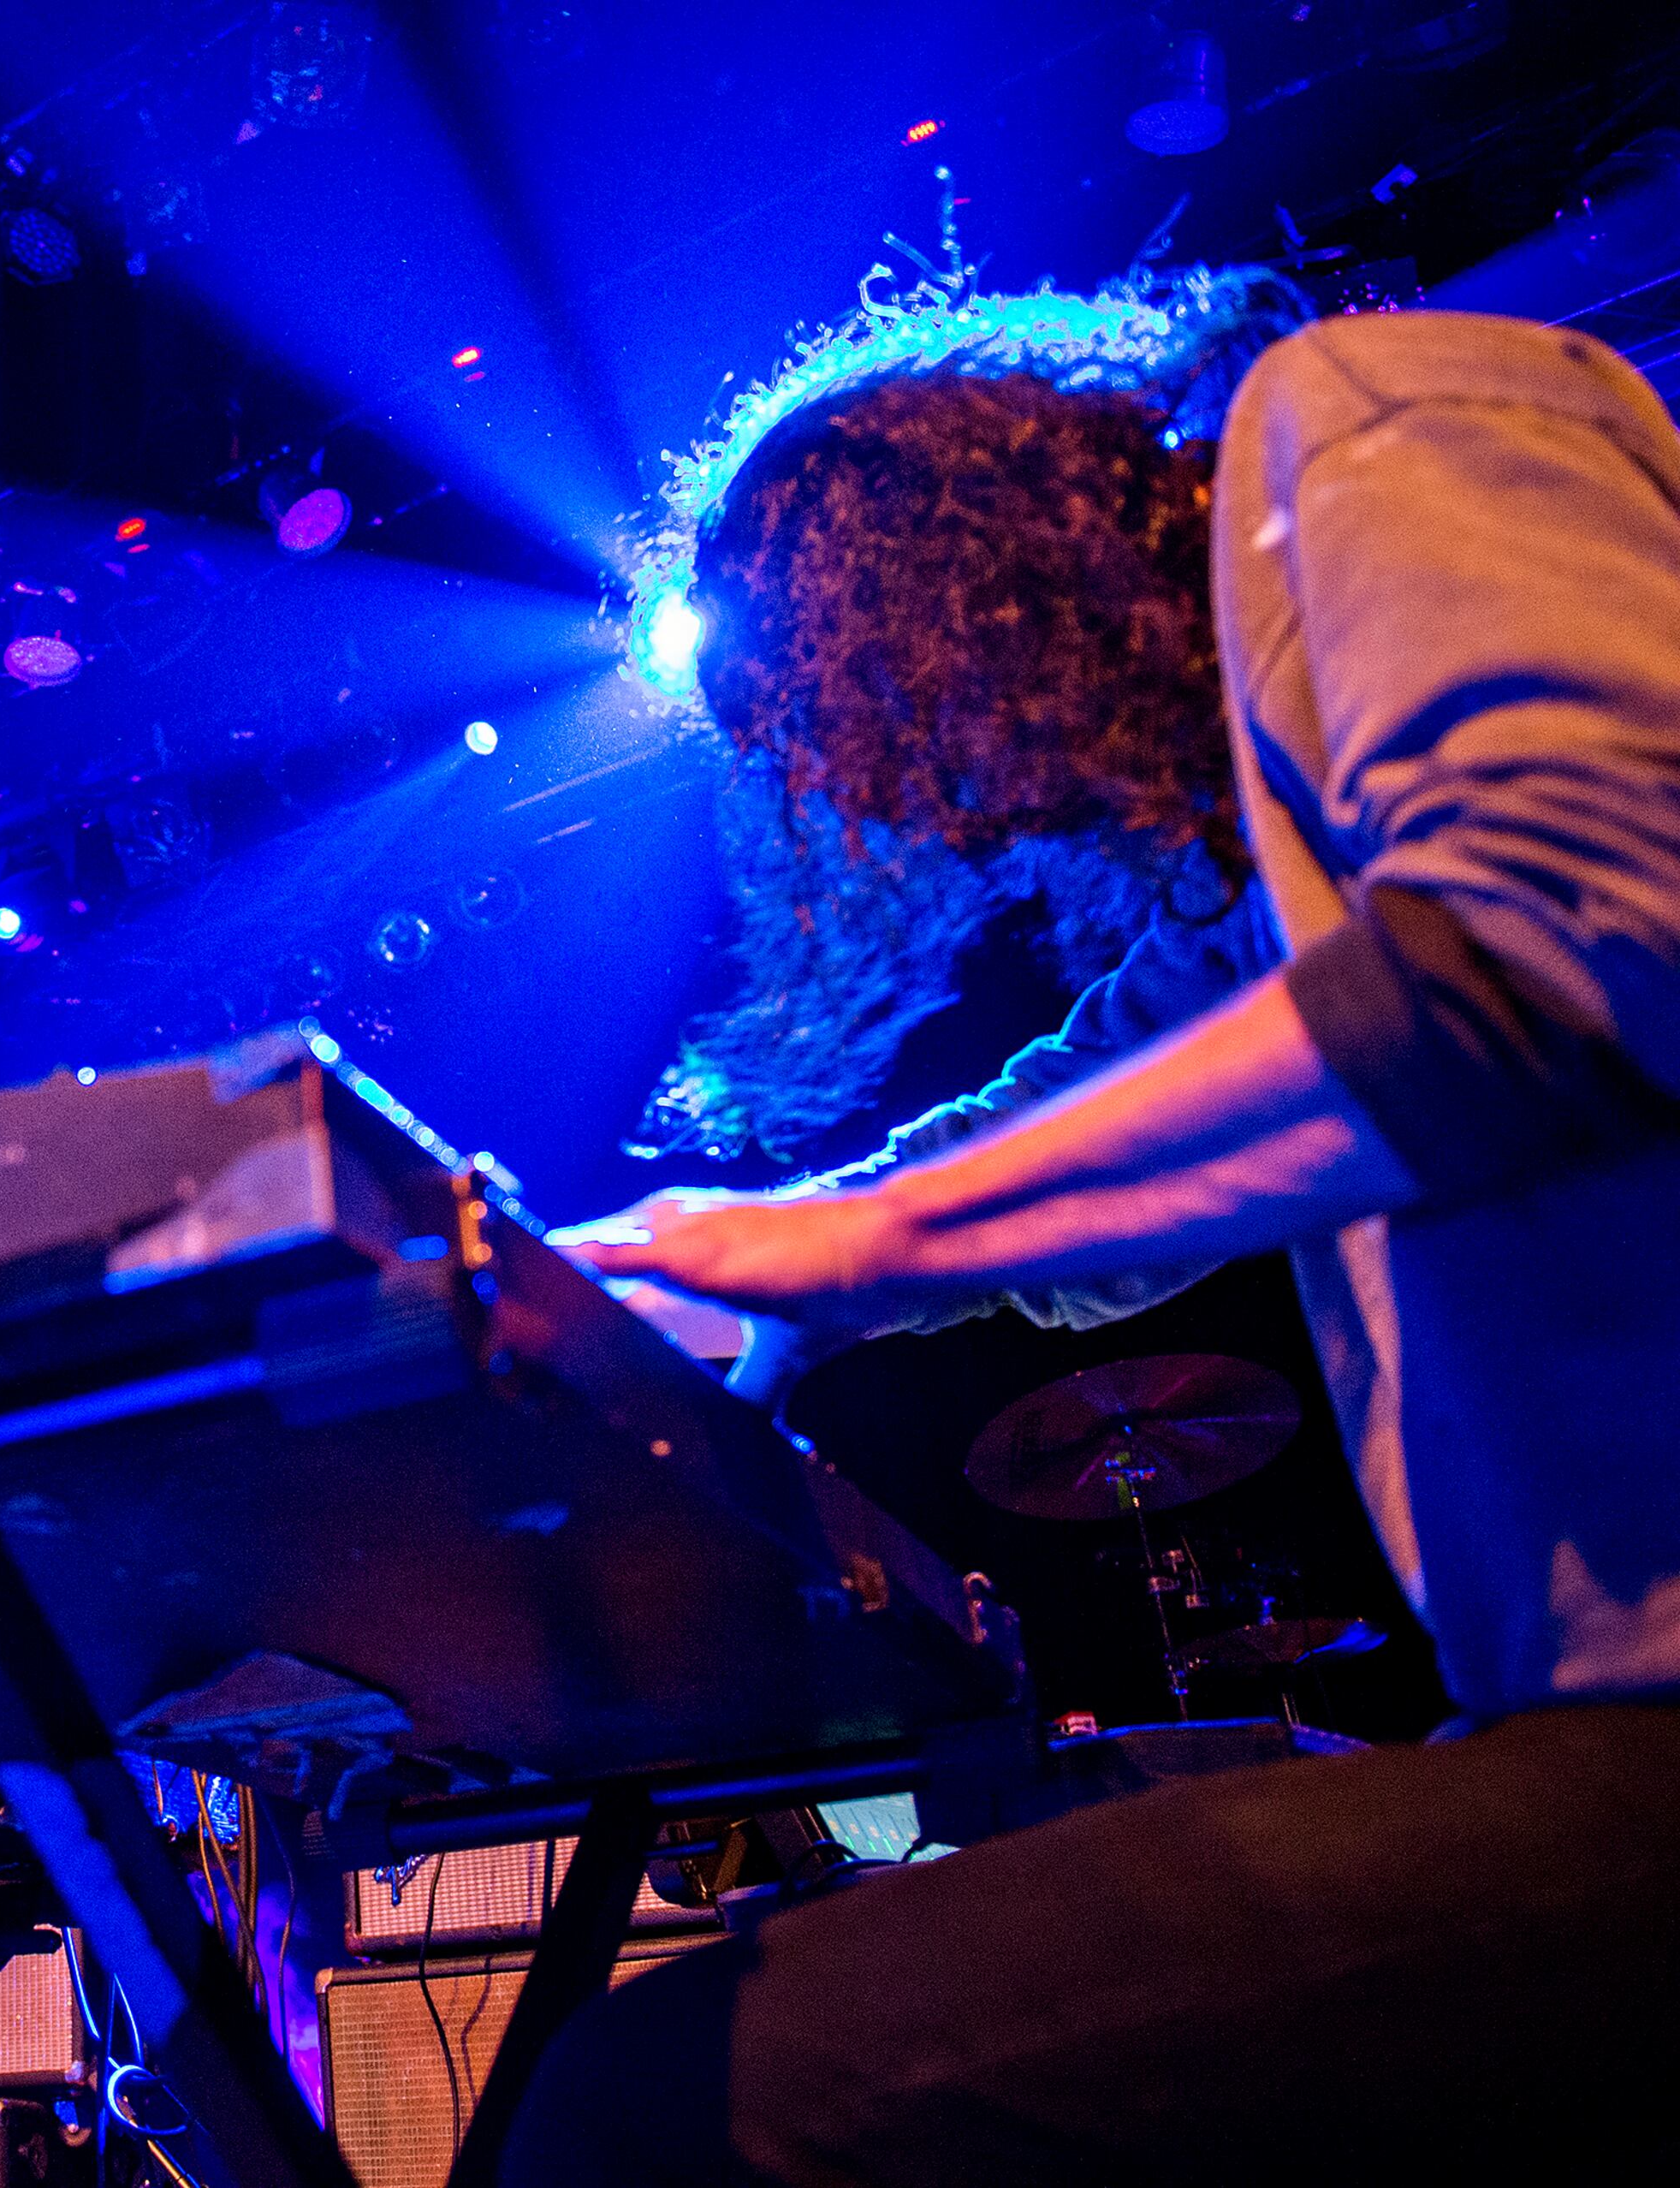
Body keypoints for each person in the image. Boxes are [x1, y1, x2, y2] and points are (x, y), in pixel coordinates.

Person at [510, 292, 1680, 2184]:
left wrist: (855, 1246)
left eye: (863, 705)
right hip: (1586, 1726)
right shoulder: (1281, 867)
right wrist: (668, 1262)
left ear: (968, 563)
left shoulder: (1368, 408)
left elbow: (1568, 936)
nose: (912, 800)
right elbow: (1084, 1123)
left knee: (665, 2101)